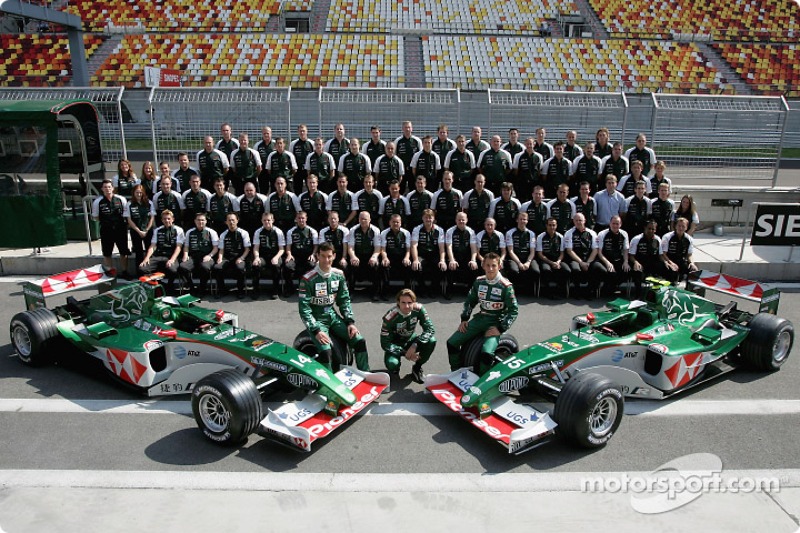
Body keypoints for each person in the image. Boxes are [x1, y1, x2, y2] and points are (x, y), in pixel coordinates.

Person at [298, 242, 370, 371]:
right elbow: (304, 310)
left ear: (334, 256)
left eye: (329, 256)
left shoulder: (338, 275)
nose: (326, 260)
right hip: (317, 320)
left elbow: (344, 300)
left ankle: (365, 375)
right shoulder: (308, 279)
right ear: (318, 256)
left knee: (359, 340)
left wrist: (350, 322)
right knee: (326, 350)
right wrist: (316, 331)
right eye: (323, 256)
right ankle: (328, 385)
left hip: (332, 316)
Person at [446, 252, 518, 372]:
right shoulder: (479, 281)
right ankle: (456, 372)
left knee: (486, 354)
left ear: (499, 266)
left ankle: (482, 380)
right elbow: (470, 301)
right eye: (488, 265)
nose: (490, 269)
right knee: (451, 343)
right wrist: (464, 319)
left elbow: (513, 311)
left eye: (494, 265)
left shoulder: (506, 286)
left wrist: (500, 328)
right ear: (483, 265)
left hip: (495, 322)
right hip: (480, 319)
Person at [381, 289, 436, 382]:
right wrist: (404, 352)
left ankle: (417, 368)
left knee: (431, 340)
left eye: (409, 303)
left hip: (411, 340)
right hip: (395, 344)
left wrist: (415, 344)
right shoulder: (390, 316)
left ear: (414, 302)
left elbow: (430, 329)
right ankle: (396, 366)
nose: (406, 306)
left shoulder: (419, 309)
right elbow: (385, 343)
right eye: (403, 302)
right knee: (392, 364)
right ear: (398, 302)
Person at [139, 209, 184, 293]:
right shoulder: (157, 230)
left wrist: (172, 259)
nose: (167, 220)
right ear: (162, 220)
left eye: (168, 218)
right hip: (159, 255)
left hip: (171, 256)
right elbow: (152, 246)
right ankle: (160, 285)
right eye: (164, 219)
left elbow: (179, 247)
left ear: (172, 219)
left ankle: (170, 287)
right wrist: (146, 258)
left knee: (173, 270)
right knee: (142, 268)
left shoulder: (179, 230)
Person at [92, 179, 130, 274]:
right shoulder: (97, 202)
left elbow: (126, 213)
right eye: (105, 187)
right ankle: (110, 273)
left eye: (109, 187)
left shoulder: (121, 199)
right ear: (102, 189)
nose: (107, 189)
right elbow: (96, 216)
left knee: (123, 252)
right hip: (106, 230)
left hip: (120, 229)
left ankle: (124, 271)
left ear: (112, 188)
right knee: (107, 253)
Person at [179, 212, 219, 296]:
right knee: (183, 266)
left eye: (202, 220)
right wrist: (185, 255)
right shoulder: (189, 232)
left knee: (205, 267)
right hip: (193, 256)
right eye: (198, 220)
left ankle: (202, 288)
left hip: (207, 256)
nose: (200, 222)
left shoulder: (211, 232)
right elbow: (186, 246)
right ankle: (191, 287)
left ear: (206, 221)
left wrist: (210, 256)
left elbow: (216, 248)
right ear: (195, 221)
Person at [345, 211, 382, 301]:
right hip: (357, 255)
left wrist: (374, 257)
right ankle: (351, 292)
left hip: (370, 255)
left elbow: (377, 248)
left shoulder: (375, 230)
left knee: (376, 265)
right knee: (352, 265)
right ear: (358, 220)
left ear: (370, 220)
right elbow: (350, 248)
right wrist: (353, 256)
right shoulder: (353, 230)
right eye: (361, 219)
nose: (363, 221)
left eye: (365, 219)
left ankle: (375, 293)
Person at [410, 209, 447, 298]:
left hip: (434, 254)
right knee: (417, 266)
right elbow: (414, 246)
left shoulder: (439, 230)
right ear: (422, 218)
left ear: (433, 218)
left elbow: (442, 248)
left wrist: (442, 260)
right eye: (426, 217)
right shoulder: (417, 229)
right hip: (421, 254)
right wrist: (415, 260)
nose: (428, 219)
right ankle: (422, 289)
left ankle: (433, 289)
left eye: (430, 217)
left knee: (440, 266)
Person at [214, 212, 251, 298]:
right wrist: (220, 258)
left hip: (240, 257)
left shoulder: (243, 233)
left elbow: (247, 249)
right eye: (229, 220)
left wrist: (241, 258)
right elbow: (221, 249)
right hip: (227, 257)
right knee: (217, 267)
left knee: (240, 268)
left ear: (237, 221)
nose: (231, 222)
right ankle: (222, 290)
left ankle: (240, 290)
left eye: (233, 220)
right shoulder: (223, 234)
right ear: (226, 222)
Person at [592, 215, 630, 296]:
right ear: (610, 223)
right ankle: (607, 289)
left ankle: (612, 287)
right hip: (604, 259)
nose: (615, 225)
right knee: (607, 271)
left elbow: (625, 249)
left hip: (618, 259)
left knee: (627, 271)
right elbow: (599, 252)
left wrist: (626, 261)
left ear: (620, 224)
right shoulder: (602, 234)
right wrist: (607, 262)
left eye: (617, 223)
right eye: (613, 223)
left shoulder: (624, 234)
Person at [563, 212, 599, 299]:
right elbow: (569, 251)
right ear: (573, 221)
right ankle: (577, 291)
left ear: (585, 221)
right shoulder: (569, 233)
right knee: (576, 269)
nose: (579, 222)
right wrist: (581, 262)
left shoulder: (592, 233)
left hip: (589, 259)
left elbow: (595, 249)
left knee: (598, 268)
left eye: (580, 220)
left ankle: (589, 291)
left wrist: (589, 262)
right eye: (576, 220)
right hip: (575, 259)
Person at [251, 212, 285, 299]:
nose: (267, 222)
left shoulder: (278, 232)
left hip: (275, 255)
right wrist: (257, 258)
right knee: (255, 265)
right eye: (264, 220)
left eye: (269, 220)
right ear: (261, 221)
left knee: (276, 265)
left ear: (273, 220)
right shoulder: (258, 232)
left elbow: (281, 249)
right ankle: (256, 290)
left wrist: (276, 257)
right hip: (263, 256)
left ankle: (275, 290)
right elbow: (256, 247)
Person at [284, 211, 319, 296]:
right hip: (295, 256)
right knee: (287, 266)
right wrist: (289, 254)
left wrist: (313, 254)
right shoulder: (291, 231)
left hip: (308, 256)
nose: (301, 220)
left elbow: (316, 245)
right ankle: (290, 288)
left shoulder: (312, 231)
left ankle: (309, 288)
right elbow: (288, 246)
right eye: (299, 218)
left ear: (306, 218)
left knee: (312, 265)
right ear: (296, 219)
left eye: (303, 218)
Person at [445, 211, 479, 298]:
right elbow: (449, 247)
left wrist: (473, 260)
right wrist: (452, 259)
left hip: (466, 256)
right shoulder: (450, 231)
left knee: (473, 266)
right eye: (459, 220)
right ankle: (449, 290)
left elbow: (473, 247)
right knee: (451, 266)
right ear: (456, 220)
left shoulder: (471, 231)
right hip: (454, 256)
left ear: (466, 220)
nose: (461, 221)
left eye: (463, 220)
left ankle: (470, 290)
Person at [504, 211, 539, 295]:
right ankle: (512, 290)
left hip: (528, 258)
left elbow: (532, 251)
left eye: (524, 219)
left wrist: (528, 262)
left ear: (527, 221)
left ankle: (530, 290)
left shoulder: (531, 234)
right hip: (514, 258)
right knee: (514, 270)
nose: (522, 221)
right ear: (517, 220)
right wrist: (519, 263)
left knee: (536, 270)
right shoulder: (510, 233)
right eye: (520, 219)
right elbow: (510, 251)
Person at [379, 214, 412, 300]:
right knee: (384, 265)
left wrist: (407, 258)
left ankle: (407, 293)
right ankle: (385, 292)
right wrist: (385, 258)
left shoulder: (406, 233)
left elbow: (408, 249)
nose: (395, 224)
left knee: (408, 265)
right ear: (390, 222)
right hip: (389, 256)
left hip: (402, 256)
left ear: (400, 223)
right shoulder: (384, 233)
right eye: (393, 222)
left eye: (397, 222)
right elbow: (383, 249)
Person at [629, 220, 665, 299]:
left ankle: (659, 295)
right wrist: (635, 262)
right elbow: (631, 255)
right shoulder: (636, 239)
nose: (651, 231)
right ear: (645, 228)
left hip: (652, 264)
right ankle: (638, 296)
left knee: (665, 267)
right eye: (649, 228)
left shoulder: (658, 239)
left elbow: (660, 255)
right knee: (637, 271)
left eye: (653, 229)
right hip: (640, 263)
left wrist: (667, 263)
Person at [536, 217, 570, 298]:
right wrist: (551, 263)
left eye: (553, 225)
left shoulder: (561, 237)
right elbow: (540, 254)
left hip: (557, 260)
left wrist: (558, 262)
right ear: (546, 226)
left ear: (556, 226)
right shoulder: (540, 237)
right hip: (545, 260)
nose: (552, 227)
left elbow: (562, 253)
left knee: (566, 270)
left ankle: (560, 290)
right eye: (550, 225)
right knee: (546, 270)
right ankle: (548, 292)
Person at [125, 184, 154, 271]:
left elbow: (152, 218)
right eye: (137, 192)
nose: (139, 194)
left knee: (150, 251)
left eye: (141, 192)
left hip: (148, 230)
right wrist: (139, 231)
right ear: (133, 193)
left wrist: (146, 230)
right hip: (135, 231)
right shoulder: (129, 204)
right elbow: (129, 220)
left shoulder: (149, 203)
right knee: (138, 252)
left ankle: (150, 271)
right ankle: (140, 272)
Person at [661, 217, 698, 284]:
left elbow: (689, 254)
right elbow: (663, 254)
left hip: (682, 261)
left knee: (694, 271)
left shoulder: (689, 239)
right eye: (679, 226)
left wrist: (692, 263)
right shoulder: (667, 237)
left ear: (686, 228)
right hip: (669, 260)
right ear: (675, 226)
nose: (680, 228)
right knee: (673, 272)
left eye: (683, 226)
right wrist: (671, 263)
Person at [513, 137, 543, 201]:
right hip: (522, 183)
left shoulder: (539, 156)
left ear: (534, 144)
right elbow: (516, 171)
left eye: (531, 144)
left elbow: (539, 170)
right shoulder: (518, 156)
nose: (529, 146)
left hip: (534, 183)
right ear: (525, 144)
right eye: (527, 144)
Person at [394, 120, 422, 185]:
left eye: (409, 127)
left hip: (413, 170)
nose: (407, 129)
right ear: (402, 129)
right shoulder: (397, 141)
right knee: (401, 189)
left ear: (412, 129)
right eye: (405, 127)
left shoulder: (417, 141)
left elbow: (421, 155)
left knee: (413, 188)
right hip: (401, 170)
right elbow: (394, 155)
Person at [289, 125, 313, 194]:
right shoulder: (293, 144)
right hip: (298, 171)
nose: (302, 133)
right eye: (300, 131)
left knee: (310, 189)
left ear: (307, 131)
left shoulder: (311, 143)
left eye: (303, 131)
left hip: (308, 170)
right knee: (297, 190)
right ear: (298, 132)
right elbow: (291, 157)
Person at [253, 126, 275, 192]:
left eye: (267, 133)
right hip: (262, 171)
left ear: (271, 133)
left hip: (274, 171)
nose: (266, 135)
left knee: (274, 190)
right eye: (264, 133)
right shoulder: (257, 145)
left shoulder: (275, 143)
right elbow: (254, 158)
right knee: (263, 190)